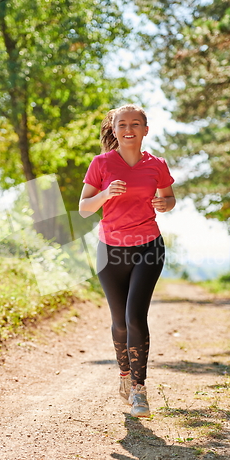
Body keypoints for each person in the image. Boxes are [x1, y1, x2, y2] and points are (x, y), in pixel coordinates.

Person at [79, 104, 175, 417]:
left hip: (149, 246)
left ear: (145, 130)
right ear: (115, 129)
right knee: (120, 323)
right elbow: (84, 208)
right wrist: (105, 194)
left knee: (135, 317)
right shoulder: (101, 163)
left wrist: (165, 203)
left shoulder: (156, 164)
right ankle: (124, 375)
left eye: (136, 123)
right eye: (122, 124)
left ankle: (139, 390)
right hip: (110, 250)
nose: (129, 128)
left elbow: (169, 196)